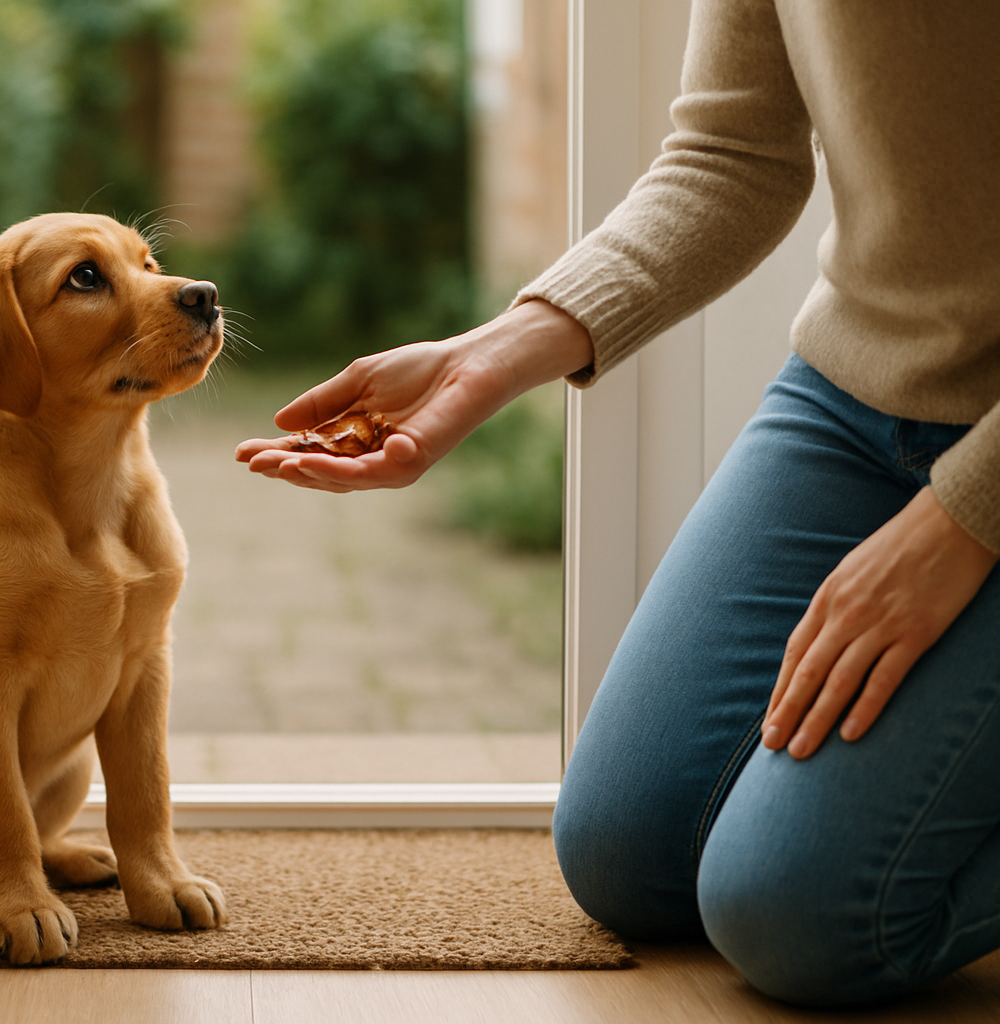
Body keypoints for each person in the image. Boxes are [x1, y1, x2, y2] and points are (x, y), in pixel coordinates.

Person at [235, 0, 1000, 1007]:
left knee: (799, 913)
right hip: (857, 399)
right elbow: (732, 150)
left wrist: (964, 519)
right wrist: (489, 357)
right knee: (625, 847)